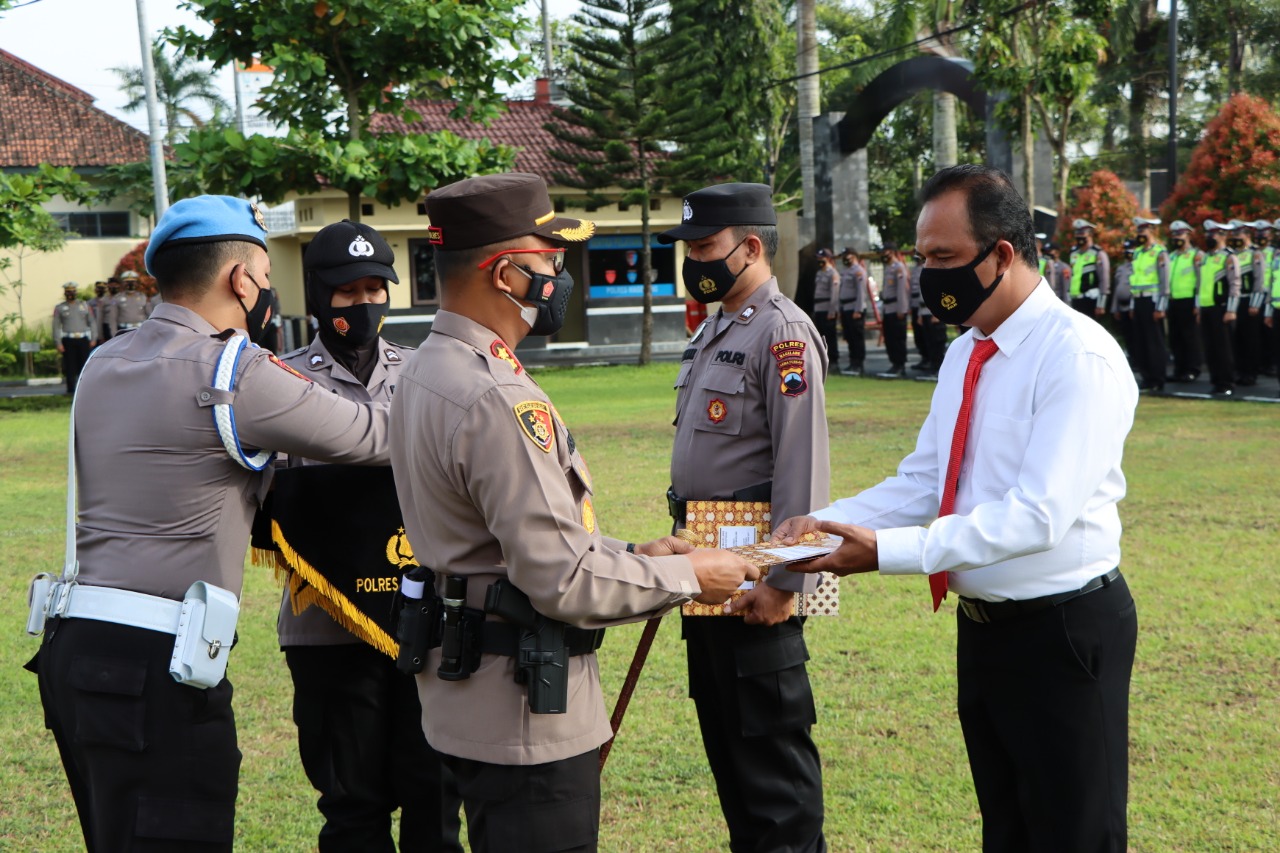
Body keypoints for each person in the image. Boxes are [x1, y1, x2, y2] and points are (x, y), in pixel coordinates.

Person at [768, 165, 1140, 852]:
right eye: (922, 257)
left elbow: (1038, 515)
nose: (928, 274)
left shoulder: (1077, 356)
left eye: (942, 258)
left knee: (1074, 831)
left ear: (1002, 253)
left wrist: (885, 552)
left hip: (1063, 631)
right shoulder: (969, 350)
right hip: (986, 630)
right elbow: (927, 478)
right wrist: (825, 519)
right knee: (1007, 827)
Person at [387, 172, 757, 853]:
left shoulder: (423, 369)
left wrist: (634, 557)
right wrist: (690, 577)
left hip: (467, 699)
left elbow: (506, 538)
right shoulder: (495, 396)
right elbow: (560, 577)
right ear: (505, 274)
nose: (560, 277)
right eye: (549, 262)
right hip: (524, 715)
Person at [29, 195, 394, 852]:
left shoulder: (103, 363)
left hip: (74, 647)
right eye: (264, 277)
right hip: (159, 663)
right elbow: (374, 434)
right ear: (240, 280)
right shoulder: (235, 370)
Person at [274, 220, 462, 852]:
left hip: (421, 619)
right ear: (318, 297)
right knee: (352, 803)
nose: (363, 303)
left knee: (434, 794)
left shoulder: (424, 375)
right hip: (326, 627)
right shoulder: (281, 383)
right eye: (346, 291)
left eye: (374, 288)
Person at [658, 182, 830, 853]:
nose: (693, 260)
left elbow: (802, 468)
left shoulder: (782, 331)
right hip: (710, 571)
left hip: (757, 581)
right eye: (690, 247)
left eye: (704, 247)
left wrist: (784, 584)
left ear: (751, 246)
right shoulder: (718, 326)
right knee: (734, 763)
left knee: (772, 776)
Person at [1197, 220, 1241, 397]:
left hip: (1221, 308)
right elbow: (1201, 285)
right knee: (1210, 348)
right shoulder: (1206, 257)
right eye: (1208, 234)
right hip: (1207, 307)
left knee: (1223, 348)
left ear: (1223, 236)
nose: (1210, 237)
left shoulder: (1229, 257)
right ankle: (1216, 381)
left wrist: (1231, 309)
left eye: (1213, 234)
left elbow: (1234, 284)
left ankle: (1227, 382)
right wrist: (1199, 308)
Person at [1127, 216, 1170, 392]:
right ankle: (1146, 377)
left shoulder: (1160, 252)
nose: (1140, 234)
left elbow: (1164, 282)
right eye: (1138, 231)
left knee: (1154, 342)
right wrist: (1131, 304)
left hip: (1153, 301)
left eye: (1143, 230)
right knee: (1141, 341)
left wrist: (1161, 306)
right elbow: (1133, 280)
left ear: (1152, 231)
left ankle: (1157, 378)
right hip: (1138, 300)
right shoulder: (1137, 253)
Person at [1228, 219, 1268, 386]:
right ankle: (1239, 371)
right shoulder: (1231, 254)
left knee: (1250, 339)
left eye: (1239, 234)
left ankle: (1250, 373)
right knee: (1236, 339)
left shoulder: (1255, 253)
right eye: (1234, 234)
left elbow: (1260, 280)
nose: (1236, 237)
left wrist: (1255, 303)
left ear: (1246, 235)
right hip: (1235, 301)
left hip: (1249, 300)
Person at [1165, 220, 1204, 383]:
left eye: (1180, 234)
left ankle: (1192, 369)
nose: (1177, 238)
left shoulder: (1196, 255)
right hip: (1173, 300)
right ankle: (1179, 369)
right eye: (1174, 235)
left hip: (1188, 300)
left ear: (1188, 235)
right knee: (1175, 337)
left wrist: (1197, 302)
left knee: (1190, 337)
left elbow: (1201, 280)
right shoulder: (1172, 256)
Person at [52, 282, 97, 395]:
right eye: (68, 292)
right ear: (65, 293)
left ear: (76, 292)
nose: (70, 294)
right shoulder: (60, 308)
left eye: (73, 291)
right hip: (68, 340)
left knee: (85, 366)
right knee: (70, 366)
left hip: (83, 339)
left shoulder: (85, 305)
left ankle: (85, 389)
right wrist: (58, 342)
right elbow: (56, 326)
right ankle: (71, 390)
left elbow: (92, 322)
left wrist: (93, 338)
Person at [878, 241, 910, 376]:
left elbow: (902, 290)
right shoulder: (889, 268)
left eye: (886, 252)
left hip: (896, 308)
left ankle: (900, 365)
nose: (883, 255)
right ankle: (894, 363)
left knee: (897, 338)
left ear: (892, 252)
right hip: (888, 308)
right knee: (890, 338)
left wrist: (902, 309)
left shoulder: (898, 268)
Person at [1068, 219, 1110, 318]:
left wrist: (1101, 304)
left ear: (1090, 234)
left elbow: (1104, 280)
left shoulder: (1098, 253)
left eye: (1082, 233)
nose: (1079, 236)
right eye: (1077, 233)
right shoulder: (1073, 254)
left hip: (1090, 299)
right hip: (1075, 299)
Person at [838, 247, 869, 375]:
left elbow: (861, 293)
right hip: (846, 308)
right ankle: (852, 362)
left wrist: (858, 309)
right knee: (849, 337)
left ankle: (858, 364)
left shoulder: (858, 271)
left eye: (847, 255)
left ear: (854, 256)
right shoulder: (846, 271)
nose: (845, 258)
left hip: (854, 308)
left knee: (857, 338)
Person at [811, 248, 840, 371]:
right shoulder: (819, 273)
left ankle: (833, 361)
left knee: (830, 337)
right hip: (819, 308)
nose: (819, 261)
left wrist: (832, 311)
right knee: (820, 336)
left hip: (828, 308)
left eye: (821, 258)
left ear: (828, 259)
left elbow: (834, 294)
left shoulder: (832, 273)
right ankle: (823, 360)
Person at [1111, 241, 1136, 362]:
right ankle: (1131, 357)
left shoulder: (1138, 265)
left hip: (1133, 306)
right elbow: (1117, 288)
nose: (1128, 252)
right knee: (1127, 334)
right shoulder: (1122, 268)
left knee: (1136, 334)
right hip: (1122, 306)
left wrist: (1133, 306)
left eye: (1131, 249)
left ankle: (1138, 359)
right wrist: (1115, 308)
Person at [108, 270, 150, 336]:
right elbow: (112, 319)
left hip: (141, 329)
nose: (130, 284)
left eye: (133, 282)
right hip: (124, 330)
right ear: (123, 283)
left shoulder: (143, 297)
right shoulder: (117, 298)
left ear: (136, 283)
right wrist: (114, 334)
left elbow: (150, 315)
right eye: (127, 282)